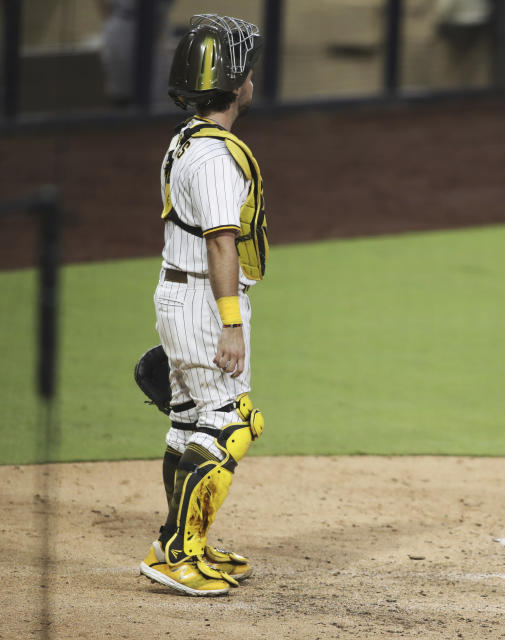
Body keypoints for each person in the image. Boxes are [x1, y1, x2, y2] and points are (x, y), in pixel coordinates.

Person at [137, 13, 269, 597]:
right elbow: (221, 239)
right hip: (202, 297)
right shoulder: (216, 156)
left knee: (188, 423)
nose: (252, 79)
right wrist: (230, 324)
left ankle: (184, 537)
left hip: (181, 292)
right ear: (234, 81)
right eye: (248, 71)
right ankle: (175, 555)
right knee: (229, 423)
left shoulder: (186, 139)